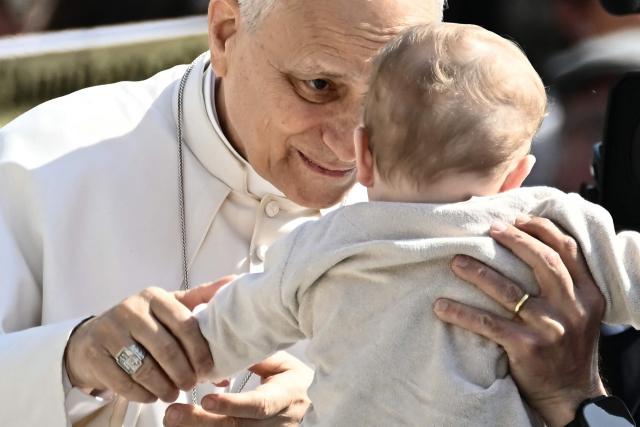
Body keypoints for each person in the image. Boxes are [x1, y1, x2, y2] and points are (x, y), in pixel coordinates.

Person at [0, 1, 608, 426]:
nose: (352, 144)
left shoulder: (463, 188)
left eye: (387, 101)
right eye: (318, 86)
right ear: (226, 33)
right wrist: (72, 358)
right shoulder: (41, 163)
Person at [192, 23, 640, 427]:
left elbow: (232, 325)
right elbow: (631, 274)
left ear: (362, 155)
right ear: (516, 175)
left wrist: (190, 347)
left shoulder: (321, 245)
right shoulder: (542, 226)